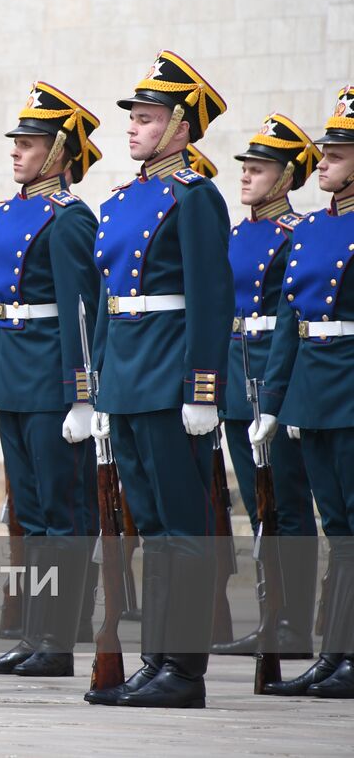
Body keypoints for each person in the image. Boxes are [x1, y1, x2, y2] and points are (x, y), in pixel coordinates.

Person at [85, 51, 232, 709]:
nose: (135, 128)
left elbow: (211, 295)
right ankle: (156, 659)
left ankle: (184, 668)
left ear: (180, 128)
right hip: (126, 377)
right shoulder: (120, 201)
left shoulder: (194, 198)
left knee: (182, 527)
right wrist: (94, 387)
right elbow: (105, 299)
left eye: (147, 119)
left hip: (172, 377)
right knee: (148, 527)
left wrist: (204, 388)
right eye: (135, 118)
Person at [0, 82, 103, 679]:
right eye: (17, 141)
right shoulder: (3, 214)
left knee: (60, 511)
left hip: (51, 378)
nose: (17, 151)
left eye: (30, 142)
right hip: (11, 378)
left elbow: (80, 309)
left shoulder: (69, 218)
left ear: (60, 152)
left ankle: (55, 640)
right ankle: (29, 636)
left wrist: (82, 393)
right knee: (28, 514)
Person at [252, 84, 354, 698]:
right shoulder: (311, 228)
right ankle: (335, 654)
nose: (322, 163)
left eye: (337, 155)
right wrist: (275, 403)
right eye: (323, 153)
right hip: (315, 388)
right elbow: (291, 322)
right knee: (336, 525)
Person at [210, 114, 321, 660]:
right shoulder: (235, 235)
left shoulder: (296, 235)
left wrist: (275, 396)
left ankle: (294, 623)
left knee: (289, 507)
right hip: (234, 380)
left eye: (259, 169)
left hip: (272, 381)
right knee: (258, 510)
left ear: (286, 178)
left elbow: (289, 320)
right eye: (246, 168)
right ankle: (271, 616)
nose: (246, 177)